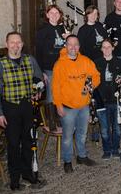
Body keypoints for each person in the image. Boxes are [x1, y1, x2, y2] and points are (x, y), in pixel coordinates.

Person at [0, 32, 45, 190]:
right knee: (14, 144)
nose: (16, 45)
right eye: (12, 42)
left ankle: (27, 173)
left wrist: (39, 89)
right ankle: (14, 179)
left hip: (28, 106)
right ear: (6, 44)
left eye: (18, 42)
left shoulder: (30, 60)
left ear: (22, 44)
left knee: (29, 142)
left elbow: (39, 78)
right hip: (10, 108)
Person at [52, 35, 101, 173]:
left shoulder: (86, 61)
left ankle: (82, 156)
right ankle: (67, 161)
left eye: (76, 44)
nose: (73, 47)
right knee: (67, 137)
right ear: (65, 46)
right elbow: (55, 87)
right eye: (70, 44)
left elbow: (96, 76)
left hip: (83, 106)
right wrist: (58, 105)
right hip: (67, 107)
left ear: (79, 46)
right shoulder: (59, 64)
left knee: (82, 133)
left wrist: (90, 86)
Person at [35, 4, 70, 130]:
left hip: (63, 68)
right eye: (52, 13)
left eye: (57, 13)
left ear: (60, 15)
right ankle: (51, 122)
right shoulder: (42, 30)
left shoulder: (62, 29)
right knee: (51, 94)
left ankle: (60, 119)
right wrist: (40, 72)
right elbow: (38, 52)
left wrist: (68, 39)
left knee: (61, 94)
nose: (54, 15)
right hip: (49, 68)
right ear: (47, 15)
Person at [93, 39, 121, 159]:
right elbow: (92, 82)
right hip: (101, 101)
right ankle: (107, 150)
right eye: (104, 47)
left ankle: (115, 148)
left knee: (117, 128)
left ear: (113, 48)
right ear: (101, 49)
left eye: (109, 47)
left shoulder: (120, 62)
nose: (107, 49)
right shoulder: (96, 63)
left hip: (117, 101)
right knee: (104, 128)